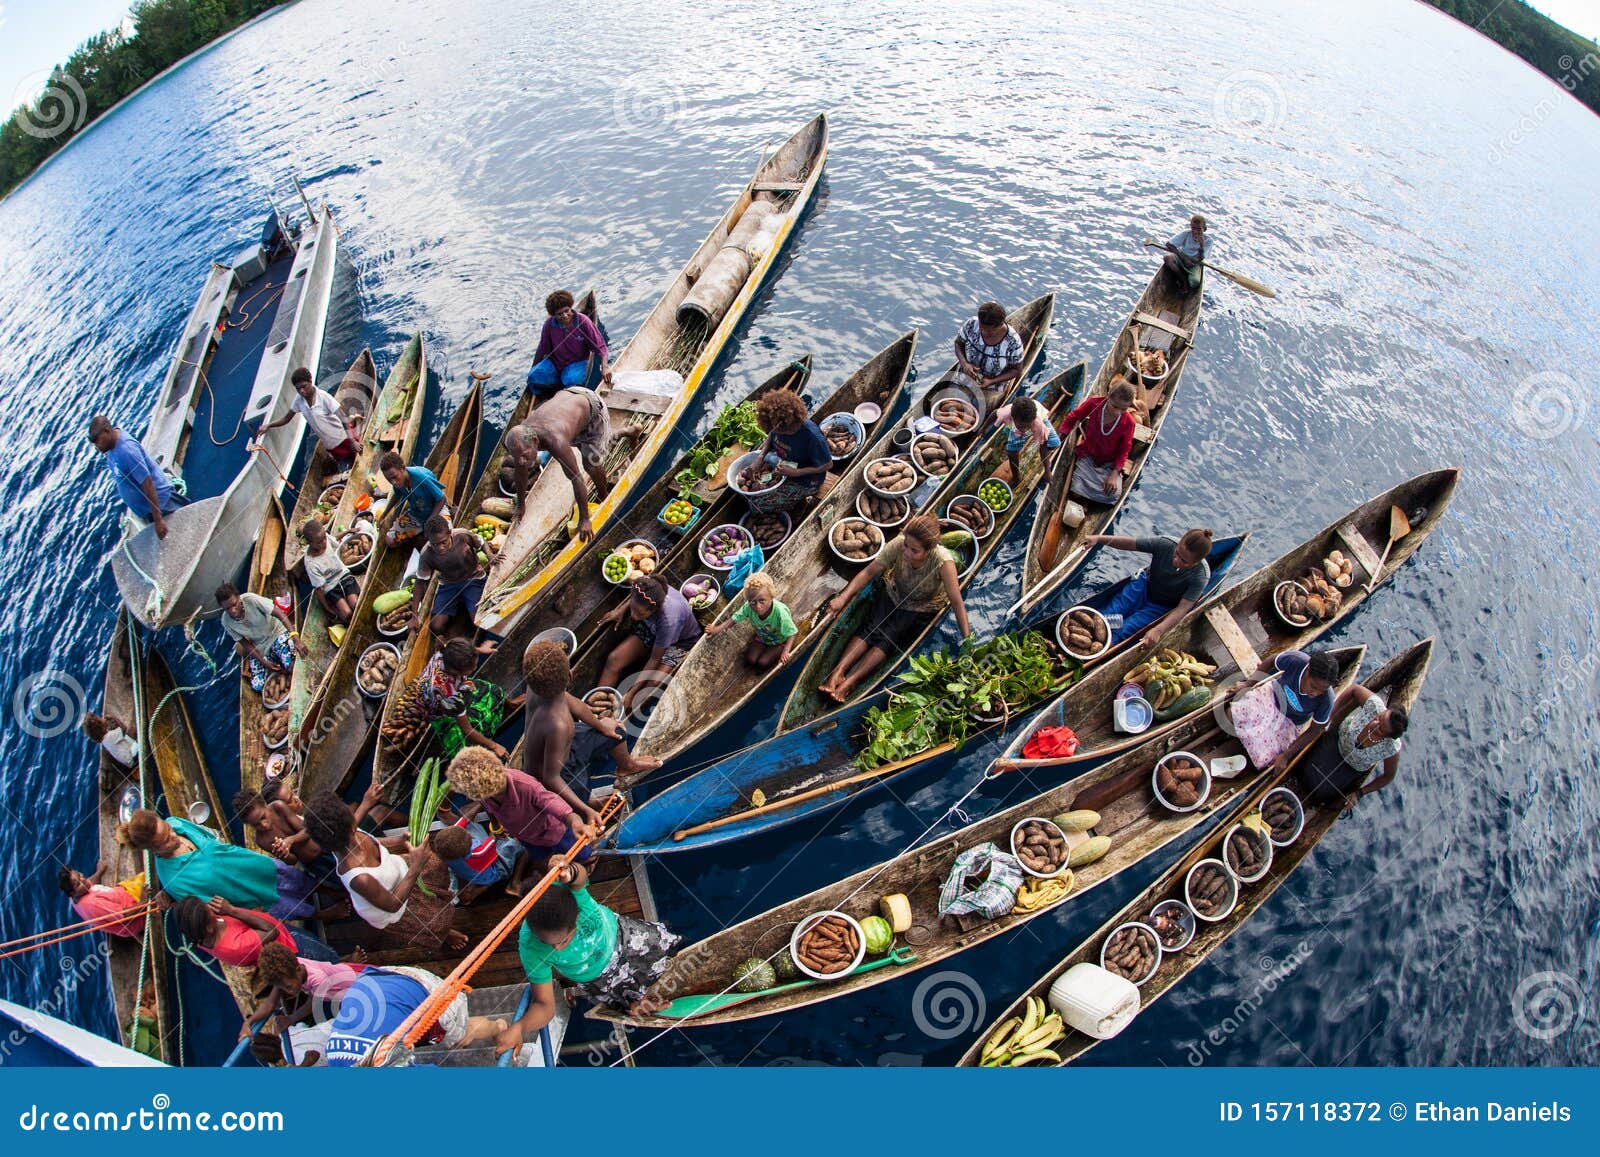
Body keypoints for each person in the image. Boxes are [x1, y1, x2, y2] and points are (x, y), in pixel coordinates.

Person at [496, 860, 680, 1053]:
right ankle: (635, 1003)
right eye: (548, 943)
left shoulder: (573, 897)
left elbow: (580, 876)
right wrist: (519, 1027)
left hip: (624, 938)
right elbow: (544, 1005)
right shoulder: (530, 947)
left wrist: (570, 870)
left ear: (575, 918)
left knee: (665, 947)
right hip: (597, 977)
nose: (557, 949)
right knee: (626, 1001)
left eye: (563, 940)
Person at [817, 514, 971, 704]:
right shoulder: (899, 544)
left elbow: (956, 601)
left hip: (922, 604)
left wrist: (967, 637)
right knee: (870, 627)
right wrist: (842, 597)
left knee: (890, 635)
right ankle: (837, 674)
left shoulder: (943, 562)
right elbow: (868, 572)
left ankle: (849, 683)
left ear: (929, 549)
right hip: (895, 591)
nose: (907, 552)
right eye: (906, 545)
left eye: (914, 550)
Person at [301, 786, 467, 951]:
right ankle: (446, 934)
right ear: (349, 826)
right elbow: (392, 904)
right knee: (435, 923)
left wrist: (400, 840)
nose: (352, 812)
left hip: (397, 871)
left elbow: (375, 841)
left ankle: (441, 901)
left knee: (436, 865)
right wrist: (415, 868)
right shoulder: (360, 878)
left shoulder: (346, 834)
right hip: (397, 907)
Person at [522, 640, 661, 803]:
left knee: (616, 731)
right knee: (579, 789)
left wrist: (602, 726)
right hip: (556, 770)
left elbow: (578, 706)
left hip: (562, 747)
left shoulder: (537, 687)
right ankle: (584, 805)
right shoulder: (558, 725)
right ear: (570, 676)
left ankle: (627, 766)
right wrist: (583, 809)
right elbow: (551, 777)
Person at [446, 748, 600, 883]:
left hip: (553, 831)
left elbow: (552, 802)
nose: (469, 798)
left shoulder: (525, 785)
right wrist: (497, 828)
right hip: (526, 837)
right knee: (541, 857)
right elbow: (490, 809)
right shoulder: (485, 795)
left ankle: (588, 863)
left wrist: (574, 820)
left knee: (582, 853)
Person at [319, 965, 507, 1066]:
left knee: (462, 1037)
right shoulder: (336, 1060)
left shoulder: (390, 1065)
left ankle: (499, 1026)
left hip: (425, 990)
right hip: (380, 979)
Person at [504, 386, 622, 543]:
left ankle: (604, 494)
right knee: (579, 444)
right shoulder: (521, 441)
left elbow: (577, 478)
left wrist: (585, 519)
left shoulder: (555, 441)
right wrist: (521, 504)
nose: (521, 461)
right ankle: (627, 432)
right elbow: (520, 471)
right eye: (516, 457)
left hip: (593, 410)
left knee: (590, 464)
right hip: (569, 405)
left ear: (535, 441)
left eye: (525, 456)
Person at [384, 637, 520, 763]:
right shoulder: (450, 696)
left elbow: (455, 653)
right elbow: (467, 730)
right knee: (484, 718)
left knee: (493, 690)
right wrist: (494, 746)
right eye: (472, 666)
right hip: (438, 711)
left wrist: (478, 650)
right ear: (457, 671)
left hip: (429, 694)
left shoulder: (442, 654)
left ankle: (508, 703)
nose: (475, 667)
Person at [117, 808, 280, 911]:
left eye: (169, 829)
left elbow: (210, 835)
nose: (174, 836)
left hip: (261, 865)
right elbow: (215, 909)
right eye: (166, 840)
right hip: (259, 898)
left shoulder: (175, 822)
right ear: (153, 850)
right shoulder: (174, 882)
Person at [1081, 528, 1213, 646]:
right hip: (1143, 585)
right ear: (1178, 545)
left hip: (1160, 605)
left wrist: (1158, 630)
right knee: (1107, 616)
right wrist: (1098, 539)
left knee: (1125, 629)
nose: (1176, 560)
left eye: (1184, 561)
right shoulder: (1165, 544)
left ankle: (1100, 650)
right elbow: (1131, 543)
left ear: (1195, 563)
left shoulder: (1199, 577)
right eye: (1177, 553)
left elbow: (1183, 608)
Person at [596, 575, 702, 714]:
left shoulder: (668, 620)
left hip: (682, 642)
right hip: (652, 630)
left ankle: (621, 716)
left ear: (653, 610)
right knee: (614, 659)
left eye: (639, 613)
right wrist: (620, 610)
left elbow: (654, 658)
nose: (633, 616)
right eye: (633, 609)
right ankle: (598, 707)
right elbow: (634, 597)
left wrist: (632, 692)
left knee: (650, 686)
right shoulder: (645, 587)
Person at [1297, 683, 1409, 810]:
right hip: (1337, 741)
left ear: (1388, 736)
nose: (1374, 723)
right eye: (1379, 718)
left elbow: (1388, 776)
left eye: (1380, 729)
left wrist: (1360, 793)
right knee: (1303, 767)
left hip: (1350, 767)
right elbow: (1354, 689)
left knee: (1321, 794)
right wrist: (1329, 715)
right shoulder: (1374, 705)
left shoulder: (1392, 748)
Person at [240, 942, 366, 1046]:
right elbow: (270, 1003)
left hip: (360, 989)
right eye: (282, 988)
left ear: (299, 970)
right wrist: (249, 1022)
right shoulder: (288, 971)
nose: (288, 991)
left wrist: (290, 1019)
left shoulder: (317, 979)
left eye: (288, 986)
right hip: (341, 989)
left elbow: (311, 1005)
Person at [171, 895, 341, 966]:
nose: (211, 908)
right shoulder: (235, 947)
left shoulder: (199, 932)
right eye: (209, 911)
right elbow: (271, 931)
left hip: (284, 933)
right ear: (208, 928)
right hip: (291, 945)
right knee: (329, 959)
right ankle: (345, 963)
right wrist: (231, 910)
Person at [88, 415, 180, 539]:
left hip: (163, 504)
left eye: (98, 441)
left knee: (184, 532)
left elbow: (148, 483)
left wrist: (158, 520)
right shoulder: (110, 447)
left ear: (107, 431)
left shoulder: (127, 451)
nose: (97, 447)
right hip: (148, 510)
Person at [413, 515, 494, 646]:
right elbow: (420, 582)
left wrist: (490, 556)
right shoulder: (426, 554)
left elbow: (481, 542)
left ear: (449, 533)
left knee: (479, 621)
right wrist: (414, 614)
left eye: (443, 542)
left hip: (473, 578)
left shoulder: (461, 535)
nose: (440, 548)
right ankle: (460, 609)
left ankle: (466, 613)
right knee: (436, 626)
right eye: (435, 544)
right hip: (449, 585)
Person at [256, 367, 361, 467]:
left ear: (311, 381)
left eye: (304, 386)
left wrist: (352, 442)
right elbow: (286, 419)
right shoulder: (299, 400)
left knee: (357, 461)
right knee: (344, 465)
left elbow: (344, 419)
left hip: (344, 439)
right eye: (298, 389)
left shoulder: (324, 397)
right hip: (330, 445)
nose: (301, 391)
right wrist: (268, 425)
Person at [216, 581, 306, 693]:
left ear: (239, 598)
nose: (232, 610)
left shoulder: (251, 600)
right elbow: (245, 643)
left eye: (234, 604)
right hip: (260, 646)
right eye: (227, 608)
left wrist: (295, 638)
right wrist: (263, 662)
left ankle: (281, 659)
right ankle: (274, 660)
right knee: (258, 686)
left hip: (276, 633)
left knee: (292, 666)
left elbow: (280, 614)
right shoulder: (226, 621)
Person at [753, 388, 831, 511]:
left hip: (807, 479)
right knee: (766, 460)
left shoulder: (813, 437)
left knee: (760, 504)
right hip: (785, 462)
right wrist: (760, 456)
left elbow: (827, 465)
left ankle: (800, 503)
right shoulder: (776, 426)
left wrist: (796, 472)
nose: (774, 432)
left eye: (776, 430)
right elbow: (771, 436)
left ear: (788, 427)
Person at [1059, 381, 1137, 505]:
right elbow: (1074, 416)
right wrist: (1062, 434)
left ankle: (1089, 498)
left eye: (1123, 409)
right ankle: (1086, 497)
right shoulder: (1094, 403)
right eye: (1115, 406)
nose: (1118, 412)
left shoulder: (1129, 423)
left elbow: (1124, 451)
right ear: (1108, 397)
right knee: (1075, 489)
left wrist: (1114, 475)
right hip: (1088, 454)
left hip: (1109, 463)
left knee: (1113, 496)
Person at [702, 570, 797, 669]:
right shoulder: (748, 607)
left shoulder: (780, 612)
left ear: (771, 597)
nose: (758, 606)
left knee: (762, 663)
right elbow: (734, 619)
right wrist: (716, 629)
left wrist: (786, 651)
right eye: (752, 602)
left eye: (762, 601)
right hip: (762, 637)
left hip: (779, 641)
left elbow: (792, 633)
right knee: (750, 659)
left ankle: (779, 648)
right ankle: (763, 645)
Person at [526, 290, 610, 395]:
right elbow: (542, 348)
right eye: (559, 314)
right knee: (534, 375)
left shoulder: (584, 321)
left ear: (571, 307)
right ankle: (554, 386)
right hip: (556, 362)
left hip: (576, 362)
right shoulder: (549, 325)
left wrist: (605, 367)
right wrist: (534, 367)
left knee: (571, 380)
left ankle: (563, 388)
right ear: (554, 315)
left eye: (567, 311)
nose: (565, 316)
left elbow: (600, 346)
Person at [429, 823, 523, 906]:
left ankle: (467, 890)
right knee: (515, 843)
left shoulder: (446, 854)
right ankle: (509, 883)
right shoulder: (478, 853)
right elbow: (495, 837)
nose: (469, 833)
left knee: (474, 826)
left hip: (468, 871)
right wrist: (495, 823)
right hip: (495, 870)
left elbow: (462, 822)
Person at [953, 302, 1025, 403]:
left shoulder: (1012, 342)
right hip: (965, 376)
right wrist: (965, 364)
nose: (984, 333)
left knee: (979, 409)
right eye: (982, 329)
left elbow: (1017, 370)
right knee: (951, 401)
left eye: (990, 331)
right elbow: (958, 343)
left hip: (993, 386)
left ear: (1000, 325)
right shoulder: (971, 324)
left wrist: (991, 381)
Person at [374, 451, 447, 547]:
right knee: (390, 541)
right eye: (389, 480)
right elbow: (397, 495)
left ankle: (424, 534)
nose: (393, 482)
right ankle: (419, 535)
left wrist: (430, 521)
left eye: (394, 477)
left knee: (444, 541)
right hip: (417, 514)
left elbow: (441, 499)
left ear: (403, 468)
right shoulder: (398, 482)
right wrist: (384, 515)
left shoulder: (421, 477)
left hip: (436, 512)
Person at [298, 519, 359, 625]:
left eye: (324, 539)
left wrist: (348, 531)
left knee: (355, 604)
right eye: (319, 542)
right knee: (347, 613)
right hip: (331, 587)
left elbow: (334, 538)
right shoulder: (311, 563)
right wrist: (327, 608)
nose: (324, 543)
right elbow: (318, 589)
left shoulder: (325, 538)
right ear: (310, 543)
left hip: (343, 575)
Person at [57, 865, 146, 938]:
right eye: (78, 884)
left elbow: (89, 882)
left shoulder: (76, 896)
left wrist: (99, 872)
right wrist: (144, 901)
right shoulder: (93, 904)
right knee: (147, 879)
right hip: (134, 916)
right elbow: (124, 915)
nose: (83, 880)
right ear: (73, 893)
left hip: (125, 895)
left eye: (79, 875)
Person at [992, 394, 1060, 482]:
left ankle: (1046, 463)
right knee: (1012, 452)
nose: (1024, 430)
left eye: (1027, 427)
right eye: (1021, 426)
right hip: (1016, 428)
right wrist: (983, 429)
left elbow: (1044, 443)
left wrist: (1047, 471)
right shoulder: (1005, 413)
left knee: (1055, 443)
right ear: (1012, 417)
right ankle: (1016, 476)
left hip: (1037, 420)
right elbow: (994, 414)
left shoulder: (1038, 425)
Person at [1161, 214, 1209, 297]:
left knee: (1195, 282)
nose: (1195, 232)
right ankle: (1182, 279)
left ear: (1204, 229)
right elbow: (1169, 244)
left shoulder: (1208, 241)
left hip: (1195, 264)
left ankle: (1187, 284)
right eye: (1193, 228)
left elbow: (1201, 258)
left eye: (1199, 229)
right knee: (1167, 258)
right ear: (1190, 227)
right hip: (1181, 258)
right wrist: (1184, 257)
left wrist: (1201, 245)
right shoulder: (1186, 234)